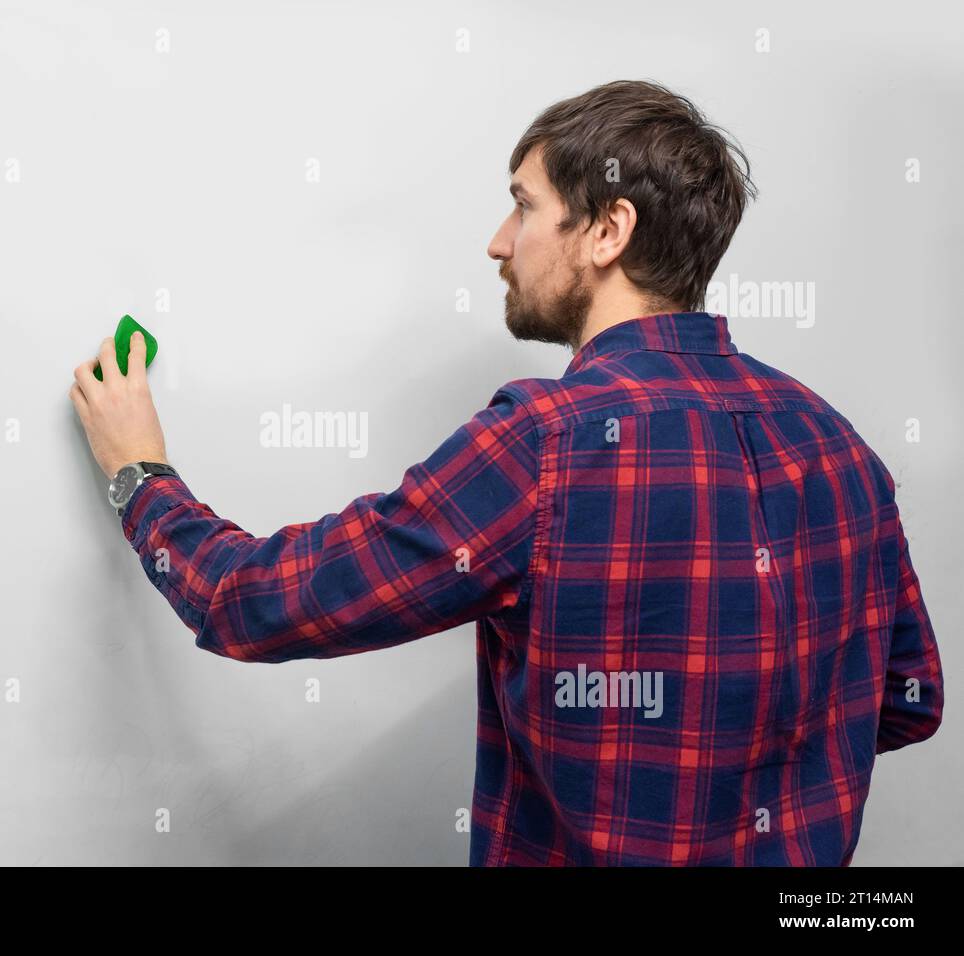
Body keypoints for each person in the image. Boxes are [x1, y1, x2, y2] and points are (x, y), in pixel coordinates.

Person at [68, 79, 944, 866]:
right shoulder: (838, 446)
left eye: (523, 206)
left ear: (607, 231)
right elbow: (906, 699)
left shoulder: (546, 445)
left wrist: (139, 475)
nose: (498, 242)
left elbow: (254, 602)